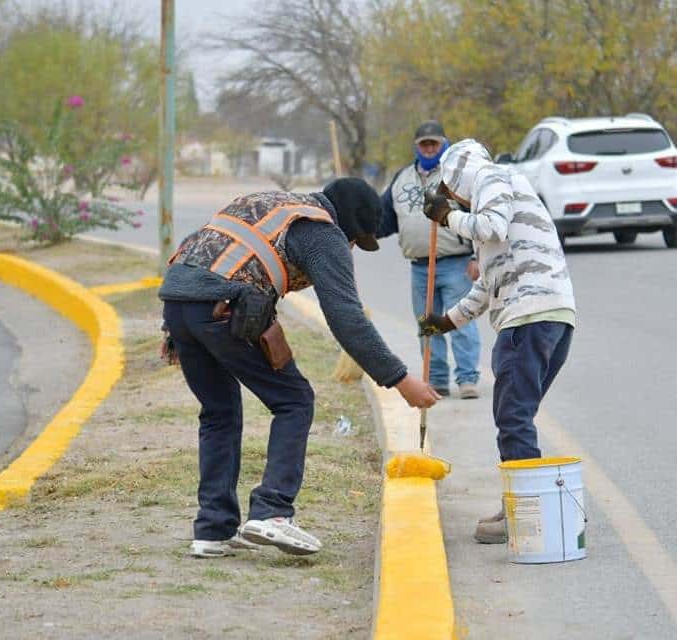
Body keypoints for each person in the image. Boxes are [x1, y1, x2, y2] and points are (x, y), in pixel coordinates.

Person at [159, 177, 440, 558]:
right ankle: (273, 512)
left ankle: (213, 530)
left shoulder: (272, 204)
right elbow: (346, 317)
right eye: (357, 239)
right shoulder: (322, 232)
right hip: (222, 304)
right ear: (350, 225)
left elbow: (204, 248)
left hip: (177, 302)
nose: (353, 247)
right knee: (294, 400)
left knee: (218, 414)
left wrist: (178, 324)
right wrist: (400, 380)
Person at [419, 139, 577, 544]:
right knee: (516, 415)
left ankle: (527, 512)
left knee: (512, 418)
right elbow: (488, 286)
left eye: (451, 190)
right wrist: (445, 322)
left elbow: (491, 226)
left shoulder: (492, 178)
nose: (453, 198)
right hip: (548, 316)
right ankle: (529, 505)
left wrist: (450, 216)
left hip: (527, 319)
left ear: (458, 173)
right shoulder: (501, 192)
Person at [378, 120, 481, 399]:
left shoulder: (456, 176)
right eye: (424, 144)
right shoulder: (402, 179)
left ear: (444, 144)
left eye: (434, 143)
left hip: (455, 263)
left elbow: (478, 218)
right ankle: (436, 380)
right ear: (416, 147)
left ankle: (467, 378)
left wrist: (477, 256)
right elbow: (385, 219)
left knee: (459, 319)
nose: (429, 148)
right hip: (420, 267)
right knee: (428, 324)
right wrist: (360, 228)